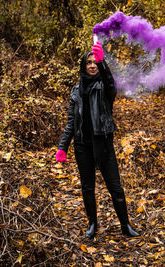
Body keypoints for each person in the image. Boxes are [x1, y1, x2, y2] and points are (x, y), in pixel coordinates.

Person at [55, 41, 140, 239]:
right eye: (89, 63)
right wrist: (63, 147)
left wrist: (104, 63)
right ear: (83, 66)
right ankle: (93, 224)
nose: (92, 65)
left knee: (115, 188)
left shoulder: (104, 88)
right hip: (83, 146)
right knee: (87, 187)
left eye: (95, 62)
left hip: (103, 145)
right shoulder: (76, 91)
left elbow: (112, 84)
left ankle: (125, 225)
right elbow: (70, 122)